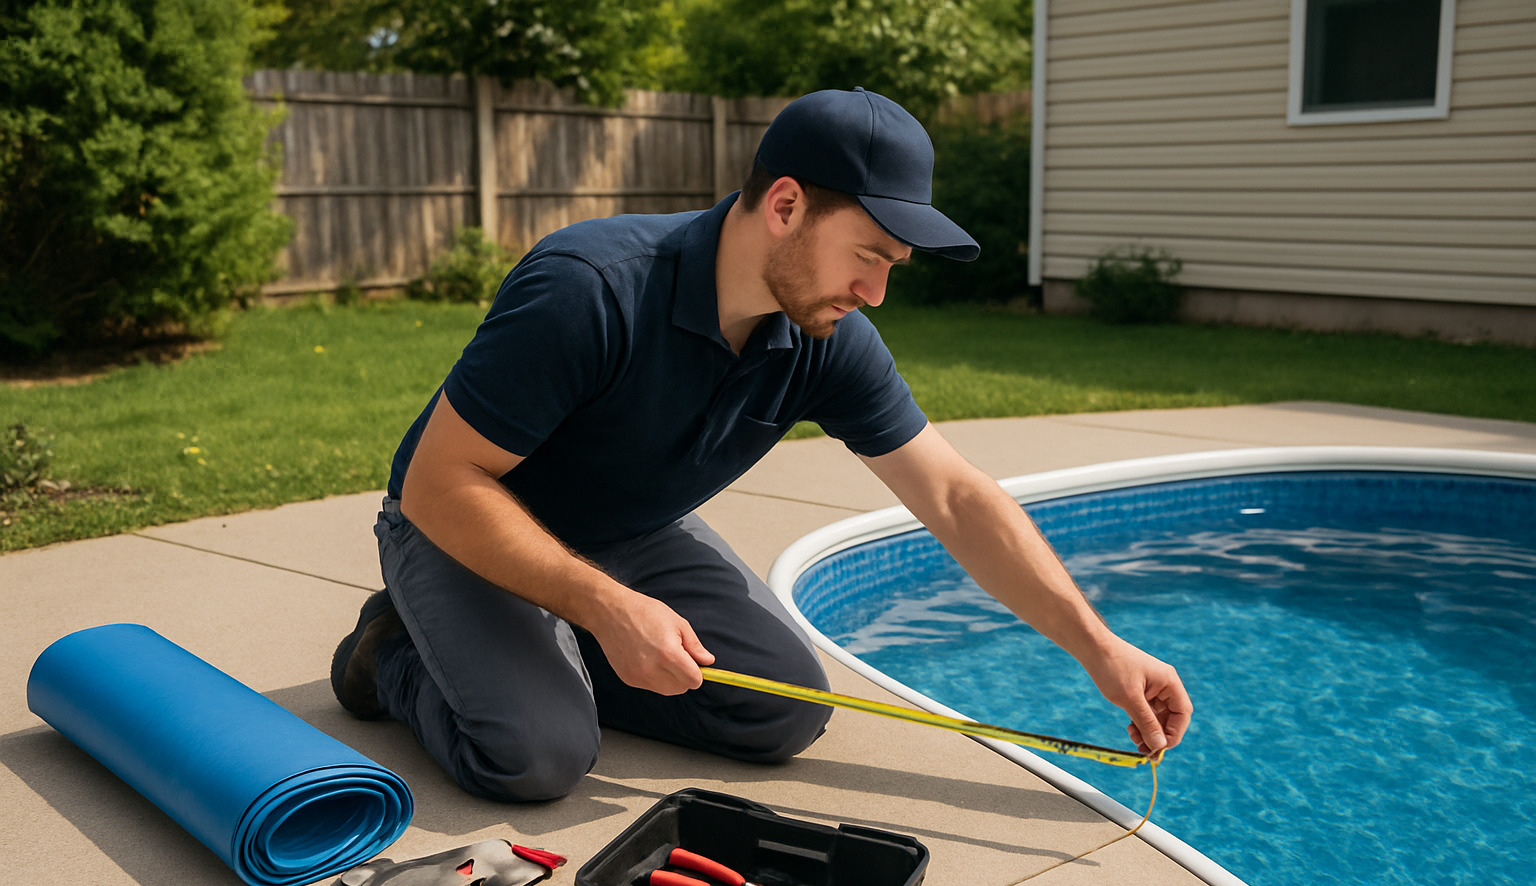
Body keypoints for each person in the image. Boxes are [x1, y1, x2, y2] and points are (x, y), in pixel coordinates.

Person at [331, 87, 1193, 802]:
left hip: (629, 533)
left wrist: (1101, 647)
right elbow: (442, 485)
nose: (877, 291)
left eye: (893, 264)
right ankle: (395, 655)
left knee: (781, 714)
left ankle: (556, 652)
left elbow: (956, 498)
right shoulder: (588, 289)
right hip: (467, 525)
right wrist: (603, 606)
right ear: (785, 206)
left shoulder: (826, 335)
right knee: (539, 757)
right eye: (867, 254)